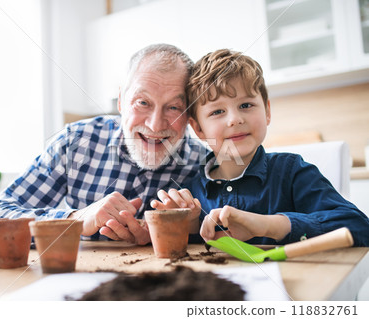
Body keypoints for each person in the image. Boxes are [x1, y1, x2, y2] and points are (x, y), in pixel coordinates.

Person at [0, 44, 207, 245]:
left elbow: (228, 235)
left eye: (174, 107)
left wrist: (185, 230)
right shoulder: (75, 142)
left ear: (189, 114)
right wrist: (77, 219)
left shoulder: (204, 164)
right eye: (142, 103)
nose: (155, 125)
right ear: (121, 101)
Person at [151, 48, 369, 246]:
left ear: (267, 111)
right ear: (198, 128)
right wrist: (187, 226)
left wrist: (269, 225)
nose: (235, 119)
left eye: (246, 105)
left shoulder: (293, 172)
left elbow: (360, 227)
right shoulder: (190, 191)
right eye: (217, 112)